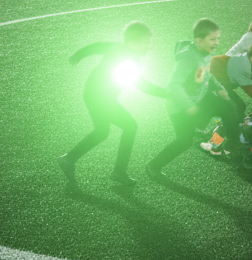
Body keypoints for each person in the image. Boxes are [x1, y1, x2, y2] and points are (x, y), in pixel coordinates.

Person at [58, 21, 167, 186]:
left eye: (149, 42)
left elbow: (98, 46)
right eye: (145, 42)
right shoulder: (129, 60)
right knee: (130, 127)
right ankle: (118, 172)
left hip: (95, 94)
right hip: (100, 98)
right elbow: (143, 86)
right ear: (131, 43)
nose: (148, 46)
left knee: (102, 132)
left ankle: (69, 159)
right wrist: (169, 94)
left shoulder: (118, 47)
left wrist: (79, 55)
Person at [146, 19, 240, 179]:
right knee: (184, 141)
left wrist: (218, 88)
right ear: (199, 40)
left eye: (218, 38)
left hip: (199, 98)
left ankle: (234, 146)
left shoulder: (204, 52)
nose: (217, 42)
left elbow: (207, 74)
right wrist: (189, 106)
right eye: (212, 39)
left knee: (229, 107)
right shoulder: (188, 58)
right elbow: (173, 86)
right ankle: (153, 166)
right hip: (180, 107)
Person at [209, 39, 252, 120]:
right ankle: (235, 126)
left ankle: (238, 122)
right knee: (238, 105)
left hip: (222, 76)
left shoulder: (250, 60)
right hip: (214, 79)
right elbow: (250, 90)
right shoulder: (244, 67)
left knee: (237, 105)